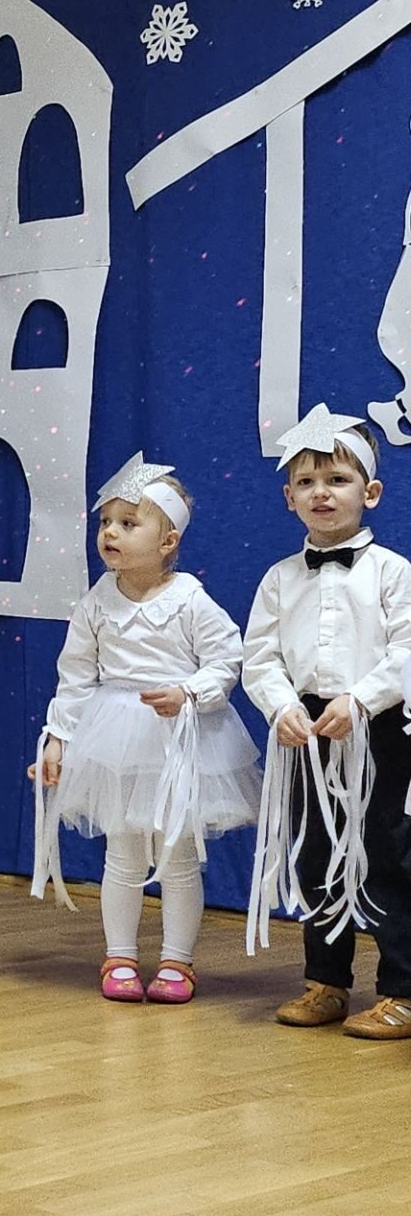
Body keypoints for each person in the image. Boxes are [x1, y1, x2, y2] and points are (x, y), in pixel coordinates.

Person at [32, 454, 259, 1003]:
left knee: (177, 855)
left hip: (178, 740)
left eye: (128, 523)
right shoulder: (96, 601)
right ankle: (120, 955)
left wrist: (189, 693)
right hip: (114, 740)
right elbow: (76, 675)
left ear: (167, 541)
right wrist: (59, 738)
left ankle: (178, 960)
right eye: (105, 522)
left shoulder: (189, 599)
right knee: (123, 852)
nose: (110, 532)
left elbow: (226, 660)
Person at [242, 406, 411, 1037]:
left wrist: (362, 699)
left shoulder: (394, 573)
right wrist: (283, 705)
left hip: (379, 728)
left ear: (371, 492)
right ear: (289, 497)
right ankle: (326, 981)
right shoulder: (279, 579)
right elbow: (259, 656)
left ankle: (401, 989)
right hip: (308, 732)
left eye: (337, 479)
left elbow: (407, 649)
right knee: (316, 853)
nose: (322, 492)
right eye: (307, 482)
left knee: (387, 855)